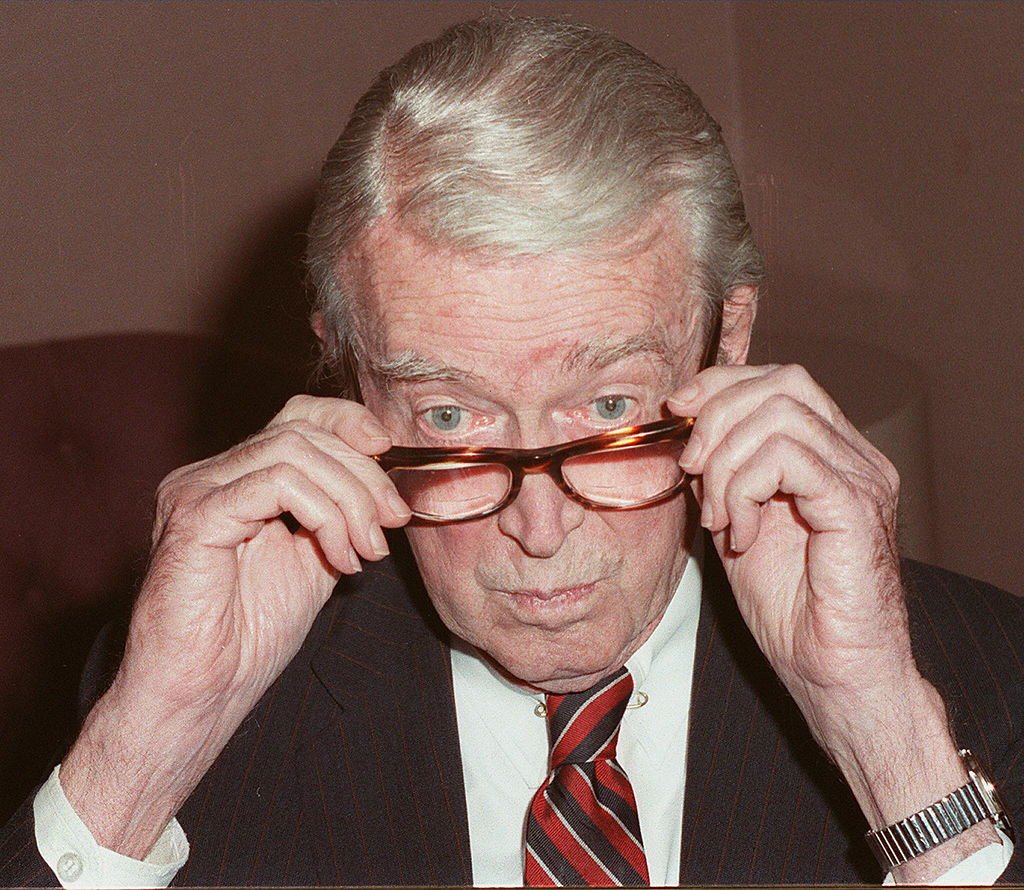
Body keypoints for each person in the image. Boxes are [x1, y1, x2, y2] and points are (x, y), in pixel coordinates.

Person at [1, 13, 1022, 888]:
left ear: (730, 340)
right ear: (347, 374)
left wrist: (887, 741)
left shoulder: (985, 675)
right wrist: (144, 754)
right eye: (449, 415)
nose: (538, 529)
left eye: (609, 401)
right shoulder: (197, 688)